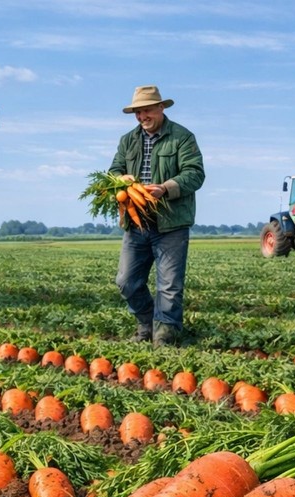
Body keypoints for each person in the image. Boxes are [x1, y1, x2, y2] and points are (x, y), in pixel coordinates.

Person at [108, 85, 205, 347]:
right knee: (126, 281)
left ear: (161, 108)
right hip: (136, 223)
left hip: (171, 224)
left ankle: (165, 337)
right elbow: (114, 169)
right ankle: (146, 323)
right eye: (137, 112)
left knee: (169, 287)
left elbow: (195, 174)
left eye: (147, 110)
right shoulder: (127, 140)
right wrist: (120, 179)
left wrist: (166, 188)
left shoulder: (182, 137)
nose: (142, 117)